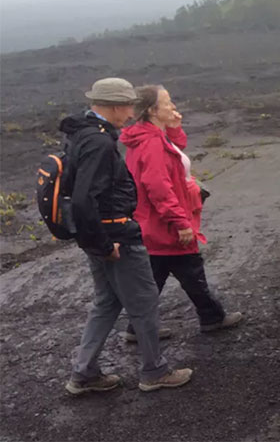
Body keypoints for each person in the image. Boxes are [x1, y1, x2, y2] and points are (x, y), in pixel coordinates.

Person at [62, 78, 192, 395]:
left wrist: (92, 241)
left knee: (106, 303)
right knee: (144, 303)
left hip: (100, 236)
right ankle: (154, 371)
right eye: (129, 107)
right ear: (117, 106)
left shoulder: (81, 134)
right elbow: (83, 199)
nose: (131, 113)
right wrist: (104, 245)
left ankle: (85, 373)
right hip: (117, 237)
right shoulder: (99, 143)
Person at [119, 85, 243, 339]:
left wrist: (173, 127)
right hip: (163, 224)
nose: (173, 106)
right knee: (186, 269)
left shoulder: (150, 136)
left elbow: (177, 151)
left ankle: (140, 326)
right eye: (167, 102)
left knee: (162, 273)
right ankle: (210, 317)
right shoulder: (151, 143)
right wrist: (180, 222)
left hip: (155, 223)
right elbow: (158, 188)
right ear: (153, 110)